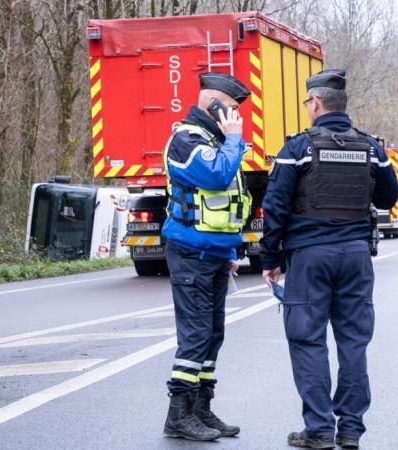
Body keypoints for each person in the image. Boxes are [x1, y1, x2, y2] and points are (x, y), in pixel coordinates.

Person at [259, 69, 398, 450]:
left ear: (316, 103)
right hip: (355, 256)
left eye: (308, 103)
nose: (307, 108)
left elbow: (274, 207)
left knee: (308, 340)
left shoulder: (297, 149)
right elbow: (389, 197)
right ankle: (350, 430)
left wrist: (270, 257)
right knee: (354, 341)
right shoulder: (371, 148)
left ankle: (319, 430)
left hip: (309, 257)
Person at [161, 73, 251, 441]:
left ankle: (201, 409)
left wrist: (231, 250)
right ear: (212, 104)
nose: (236, 117)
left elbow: (226, 205)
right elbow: (215, 177)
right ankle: (178, 416)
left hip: (214, 254)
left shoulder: (215, 141)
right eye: (231, 109)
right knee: (196, 334)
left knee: (213, 335)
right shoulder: (186, 140)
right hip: (190, 254)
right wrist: (233, 140)